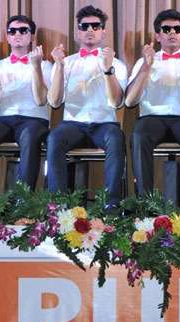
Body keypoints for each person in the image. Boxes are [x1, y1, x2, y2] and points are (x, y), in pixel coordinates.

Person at [125, 9, 180, 205]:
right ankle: (145, 202)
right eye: (166, 29)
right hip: (152, 119)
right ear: (158, 36)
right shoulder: (145, 61)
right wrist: (146, 68)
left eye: (177, 29)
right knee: (138, 136)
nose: (172, 32)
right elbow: (129, 102)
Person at [46, 5, 128, 208]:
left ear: (103, 31)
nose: (90, 30)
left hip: (104, 124)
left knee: (116, 139)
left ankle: (112, 204)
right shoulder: (66, 62)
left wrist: (108, 69)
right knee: (54, 138)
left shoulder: (116, 63)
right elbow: (54, 102)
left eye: (95, 26)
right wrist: (58, 66)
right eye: (85, 26)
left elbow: (117, 102)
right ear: (78, 32)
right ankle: (58, 205)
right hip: (73, 124)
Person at [0, 15, 51, 204]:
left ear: (31, 36)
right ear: (7, 37)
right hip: (4, 118)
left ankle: (23, 199)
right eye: (12, 31)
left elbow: (41, 100)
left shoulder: (46, 65)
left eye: (23, 30)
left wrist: (35, 67)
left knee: (29, 137)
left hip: (34, 119)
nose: (17, 34)